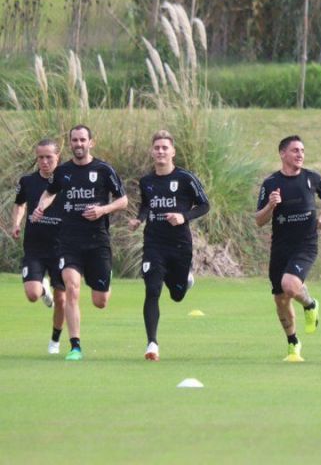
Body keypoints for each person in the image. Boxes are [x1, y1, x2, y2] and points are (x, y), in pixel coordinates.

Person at [32, 125, 128, 361]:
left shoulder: (104, 170)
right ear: (70, 143)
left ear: (91, 143)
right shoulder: (63, 171)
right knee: (71, 288)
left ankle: (104, 280)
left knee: (100, 301)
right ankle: (75, 346)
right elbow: (49, 192)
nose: (78, 144)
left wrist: (102, 209)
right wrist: (41, 206)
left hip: (98, 241)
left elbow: (123, 200)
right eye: (74, 140)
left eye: (82, 140)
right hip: (69, 241)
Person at [128, 130, 210, 361]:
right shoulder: (146, 181)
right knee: (152, 290)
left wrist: (184, 216)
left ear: (172, 151)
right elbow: (146, 205)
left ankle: (185, 281)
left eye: (165, 147)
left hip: (180, 244)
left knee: (176, 295)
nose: (161, 151)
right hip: (154, 243)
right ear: (152, 152)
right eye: (157, 148)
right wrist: (139, 218)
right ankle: (152, 343)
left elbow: (204, 205)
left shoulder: (185, 179)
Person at [256, 135, 321, 362]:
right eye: (295, 151)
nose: (300, 154)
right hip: (280, 247)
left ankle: (309, 304)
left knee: (289, 285)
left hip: (306, 245)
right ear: (282, 154)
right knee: (280, 300)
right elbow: (259, 221)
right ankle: (293, 343)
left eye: (302, 150)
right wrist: (271, 205)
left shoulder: (311, 178)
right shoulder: (270, 184)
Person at [11, 139, 67, 354]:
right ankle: (43, 287)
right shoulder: (27, 181)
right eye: (40, 157)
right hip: (34, 248)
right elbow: (19, 204)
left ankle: (54, 341)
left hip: (61, 249)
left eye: (49, 157)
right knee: (33, 294)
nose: (44, 162)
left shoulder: (66, 180)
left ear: (57, 157)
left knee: (62, 299)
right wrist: (16, 223)